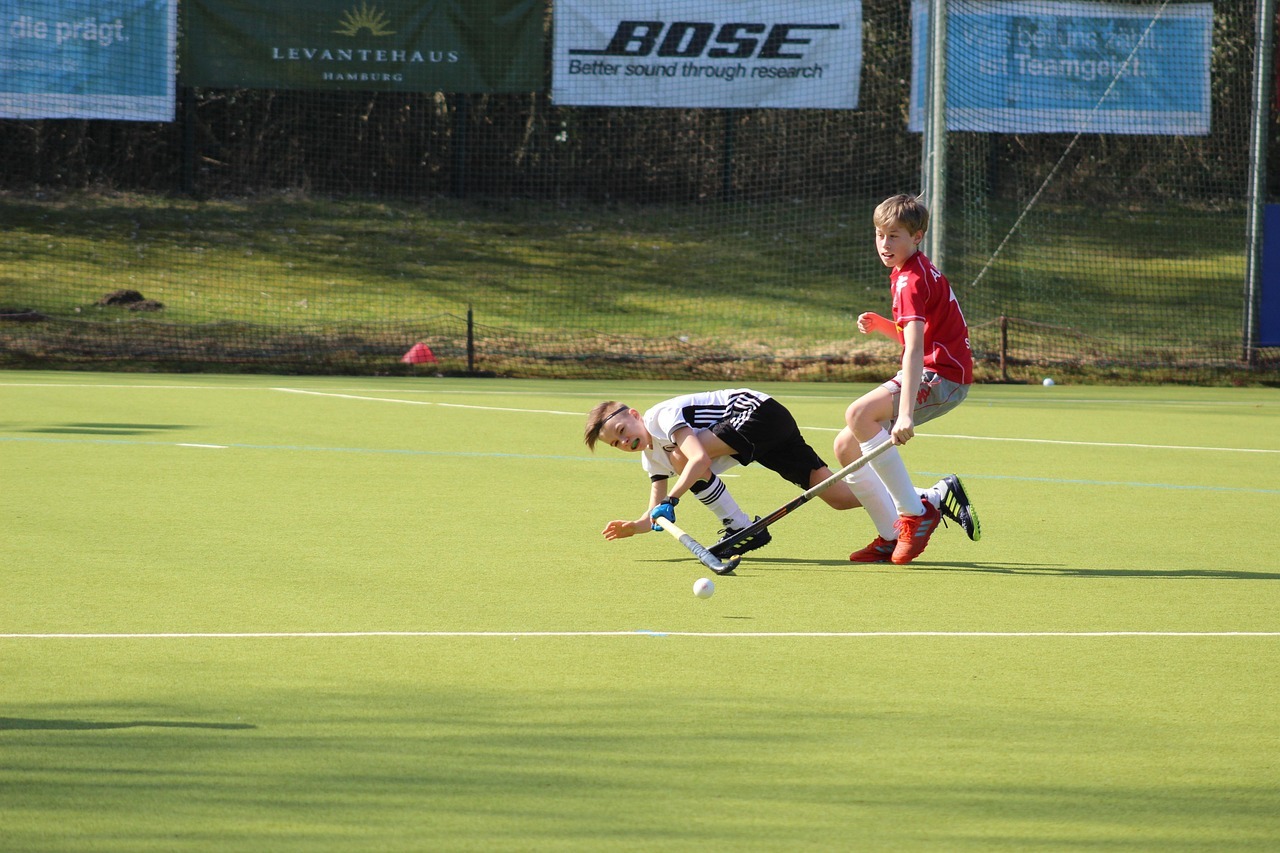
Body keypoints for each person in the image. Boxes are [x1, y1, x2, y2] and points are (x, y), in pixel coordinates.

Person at [584, 388, 975, 557]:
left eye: (622, 431)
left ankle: (737, 525)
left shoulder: (661, 418)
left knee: (686, 461)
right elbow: (657, 508)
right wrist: (640, 524)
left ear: (634, 415)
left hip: (759, 413)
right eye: (616, 444)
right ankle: (933, 495)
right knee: (838, 498)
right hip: (764, 434)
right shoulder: (650, 457)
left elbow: (698, 462)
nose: (625, 442)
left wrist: (673, 500)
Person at [833, 194, 981, 566]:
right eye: (879, 235)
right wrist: (884, 324)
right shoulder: (905, 271)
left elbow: (915, 351)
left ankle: (914, 515)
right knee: (846, 448)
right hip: (934, 368)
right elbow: (916, 336)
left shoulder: (910, 280)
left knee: (859, 414)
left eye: (894, 236)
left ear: (917, 237)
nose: (885, 244)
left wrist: (904, 415)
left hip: (944, 377)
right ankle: (896, 527)